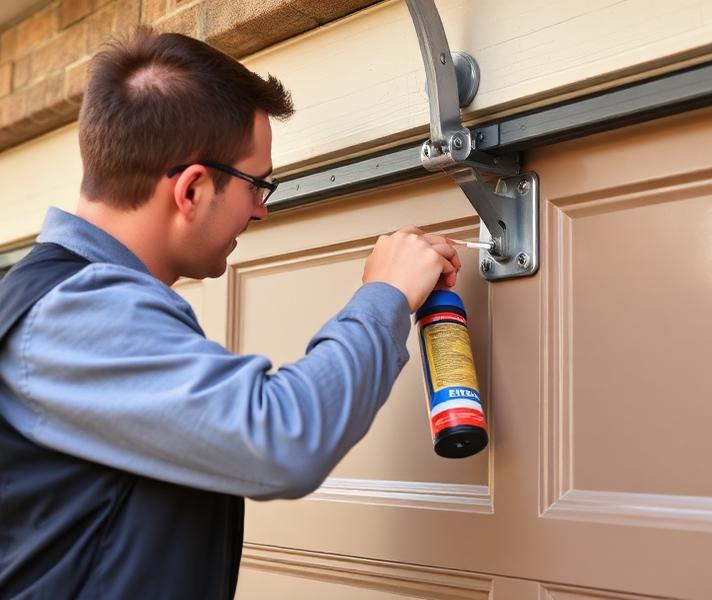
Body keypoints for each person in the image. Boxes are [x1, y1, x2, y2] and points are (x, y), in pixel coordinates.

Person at [0, 27, 461, 599]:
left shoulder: (61, 301)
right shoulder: (71, 312)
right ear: (191, 189)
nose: (262, 211)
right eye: (257, 185)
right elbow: (281, 436)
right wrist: (386, 295)